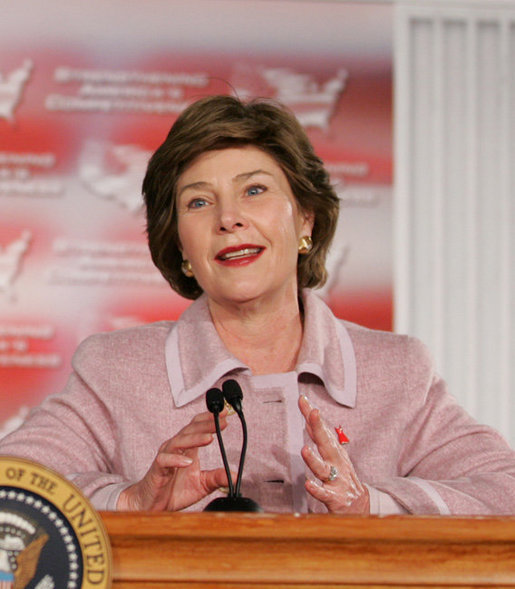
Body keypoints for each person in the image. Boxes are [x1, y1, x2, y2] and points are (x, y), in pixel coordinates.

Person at [1, 95, 514, 515]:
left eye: (254, 190)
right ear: (180, 246)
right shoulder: (116, 370)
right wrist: (130, 500)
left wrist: (373, 505)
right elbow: (11, 486)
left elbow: (505, 490)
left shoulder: (397, 372)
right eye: (198, 202)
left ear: (306, 221)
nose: (229, 218)